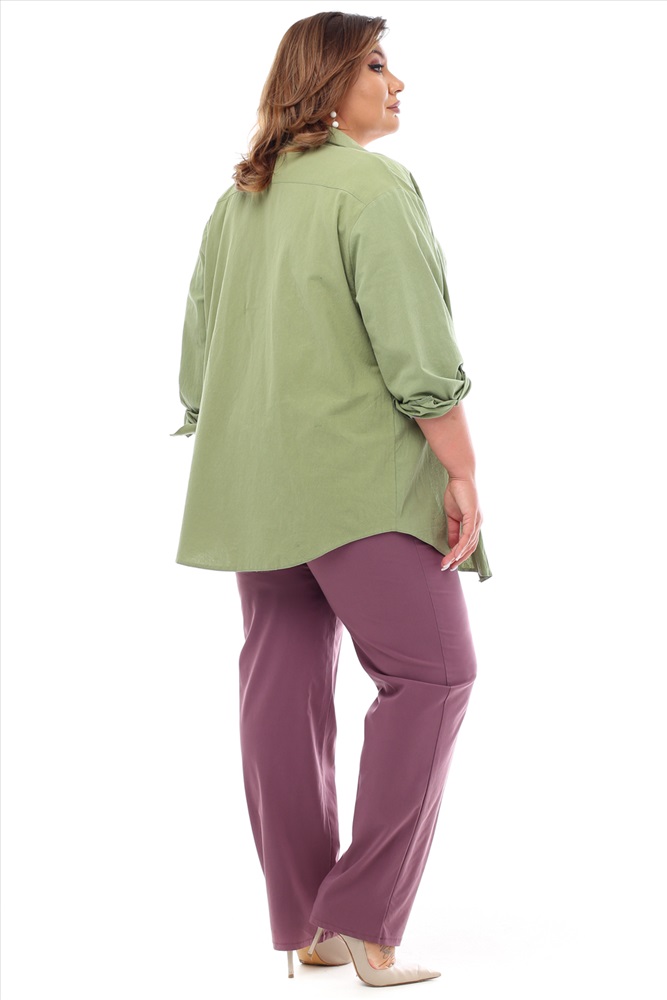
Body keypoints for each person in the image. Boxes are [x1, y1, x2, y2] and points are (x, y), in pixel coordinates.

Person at [170, 10, 493, 988]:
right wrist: (461, 469)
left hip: (252, 481)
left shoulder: (240, 199)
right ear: (325, 81)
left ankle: (312, 924)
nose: (397, 84)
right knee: (435, 677)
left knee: (282, 691)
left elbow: (197, 359)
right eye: (377, 65)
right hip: (359, 482)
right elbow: (416, 351)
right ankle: (362, 920)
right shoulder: (373, 185)